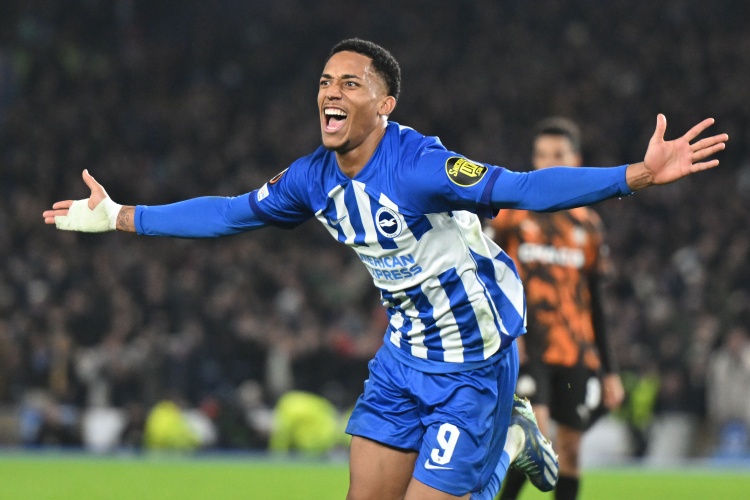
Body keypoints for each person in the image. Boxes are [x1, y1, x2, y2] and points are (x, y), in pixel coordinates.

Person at [42, 38, 727, 499]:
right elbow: (229, 213)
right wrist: (120, 215)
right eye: (325, 82)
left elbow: (521, 187)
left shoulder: (421, 165)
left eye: (351, 83)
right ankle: (504, 437)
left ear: (385, 104)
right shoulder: (312, 178)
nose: (331, 92)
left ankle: (504, 439)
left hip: (473, 359)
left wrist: (635, 175)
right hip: (403, 357)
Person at [488, 118, 625, 500]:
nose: (549, 163)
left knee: (571, 451)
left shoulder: (589, 225)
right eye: (542, 155)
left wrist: (611, 371)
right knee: (533, 437)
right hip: (526, 348)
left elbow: (596, 301)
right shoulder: (510, 216)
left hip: (575, 352)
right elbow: (487, 280)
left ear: (576, 161)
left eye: (558, 155)